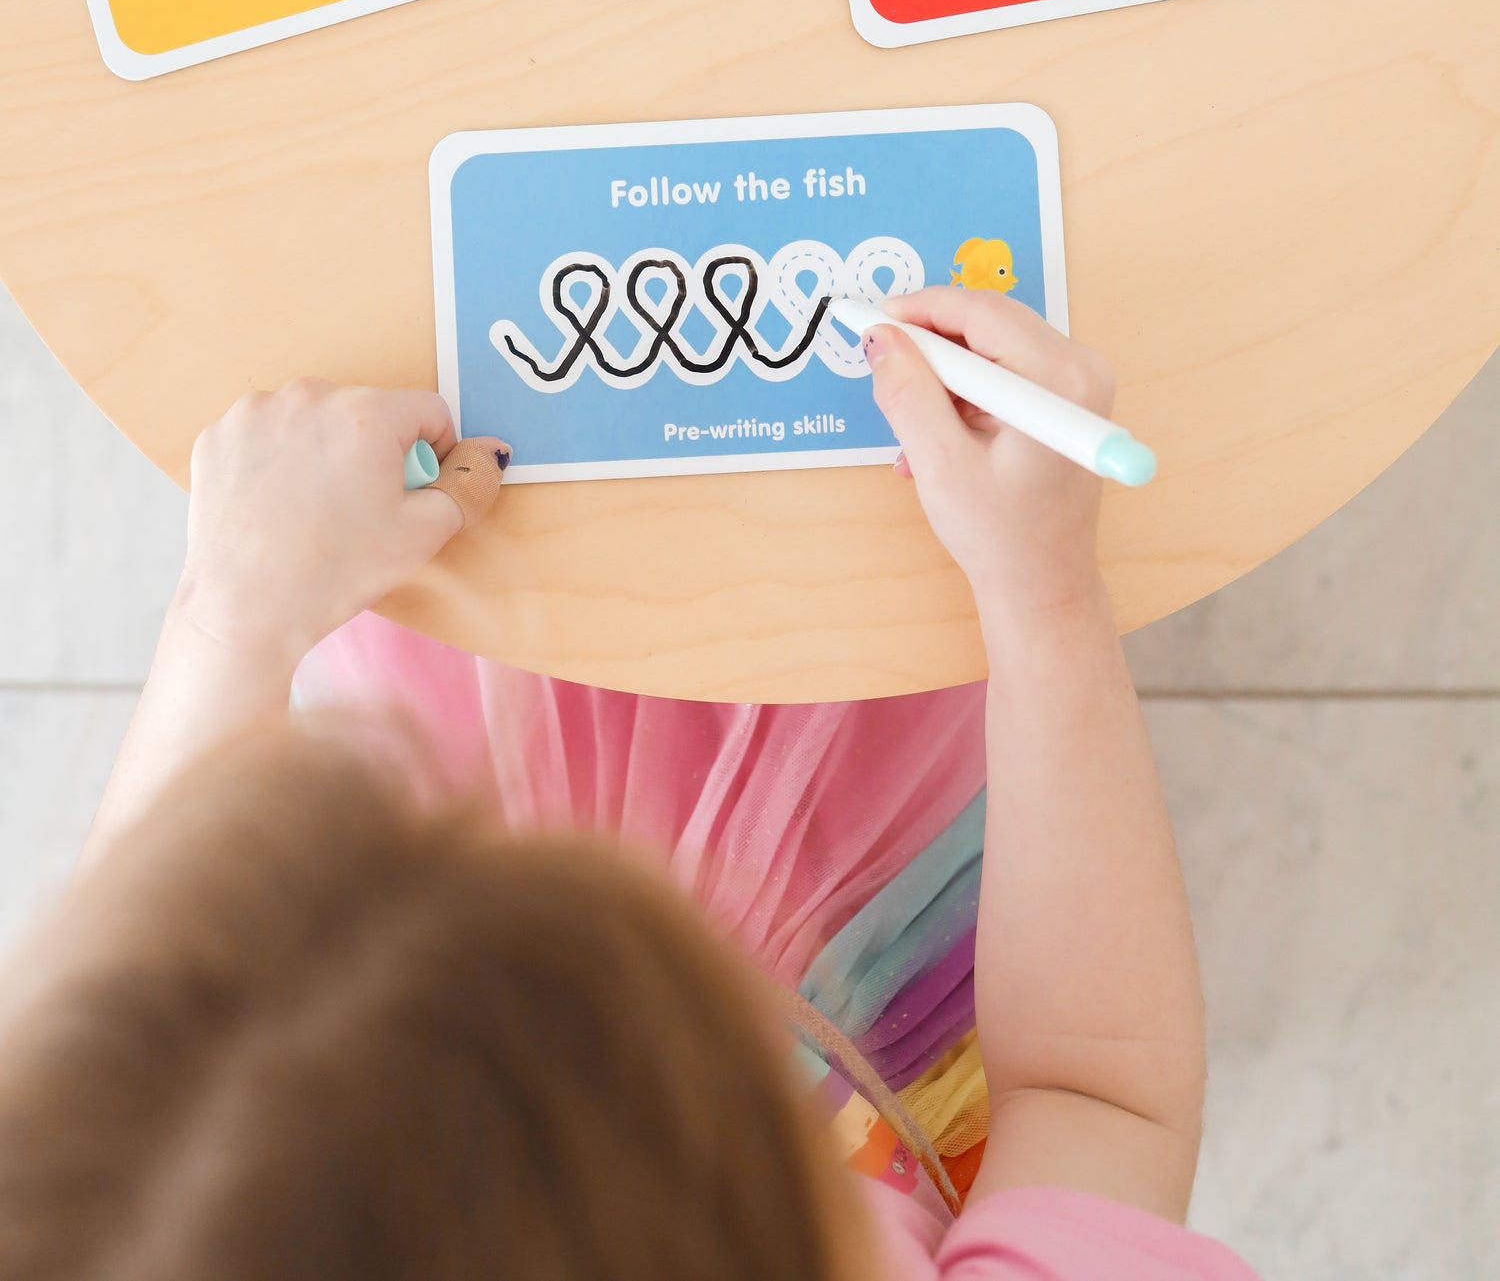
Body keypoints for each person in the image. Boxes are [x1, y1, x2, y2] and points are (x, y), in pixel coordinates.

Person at [0, 291, 1258, 1278]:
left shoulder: (137, 1200)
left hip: (482, 712)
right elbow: (1096, 1091)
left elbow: (145, 1041)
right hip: (880, 977)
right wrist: (1041, 590)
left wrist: (234, 622)